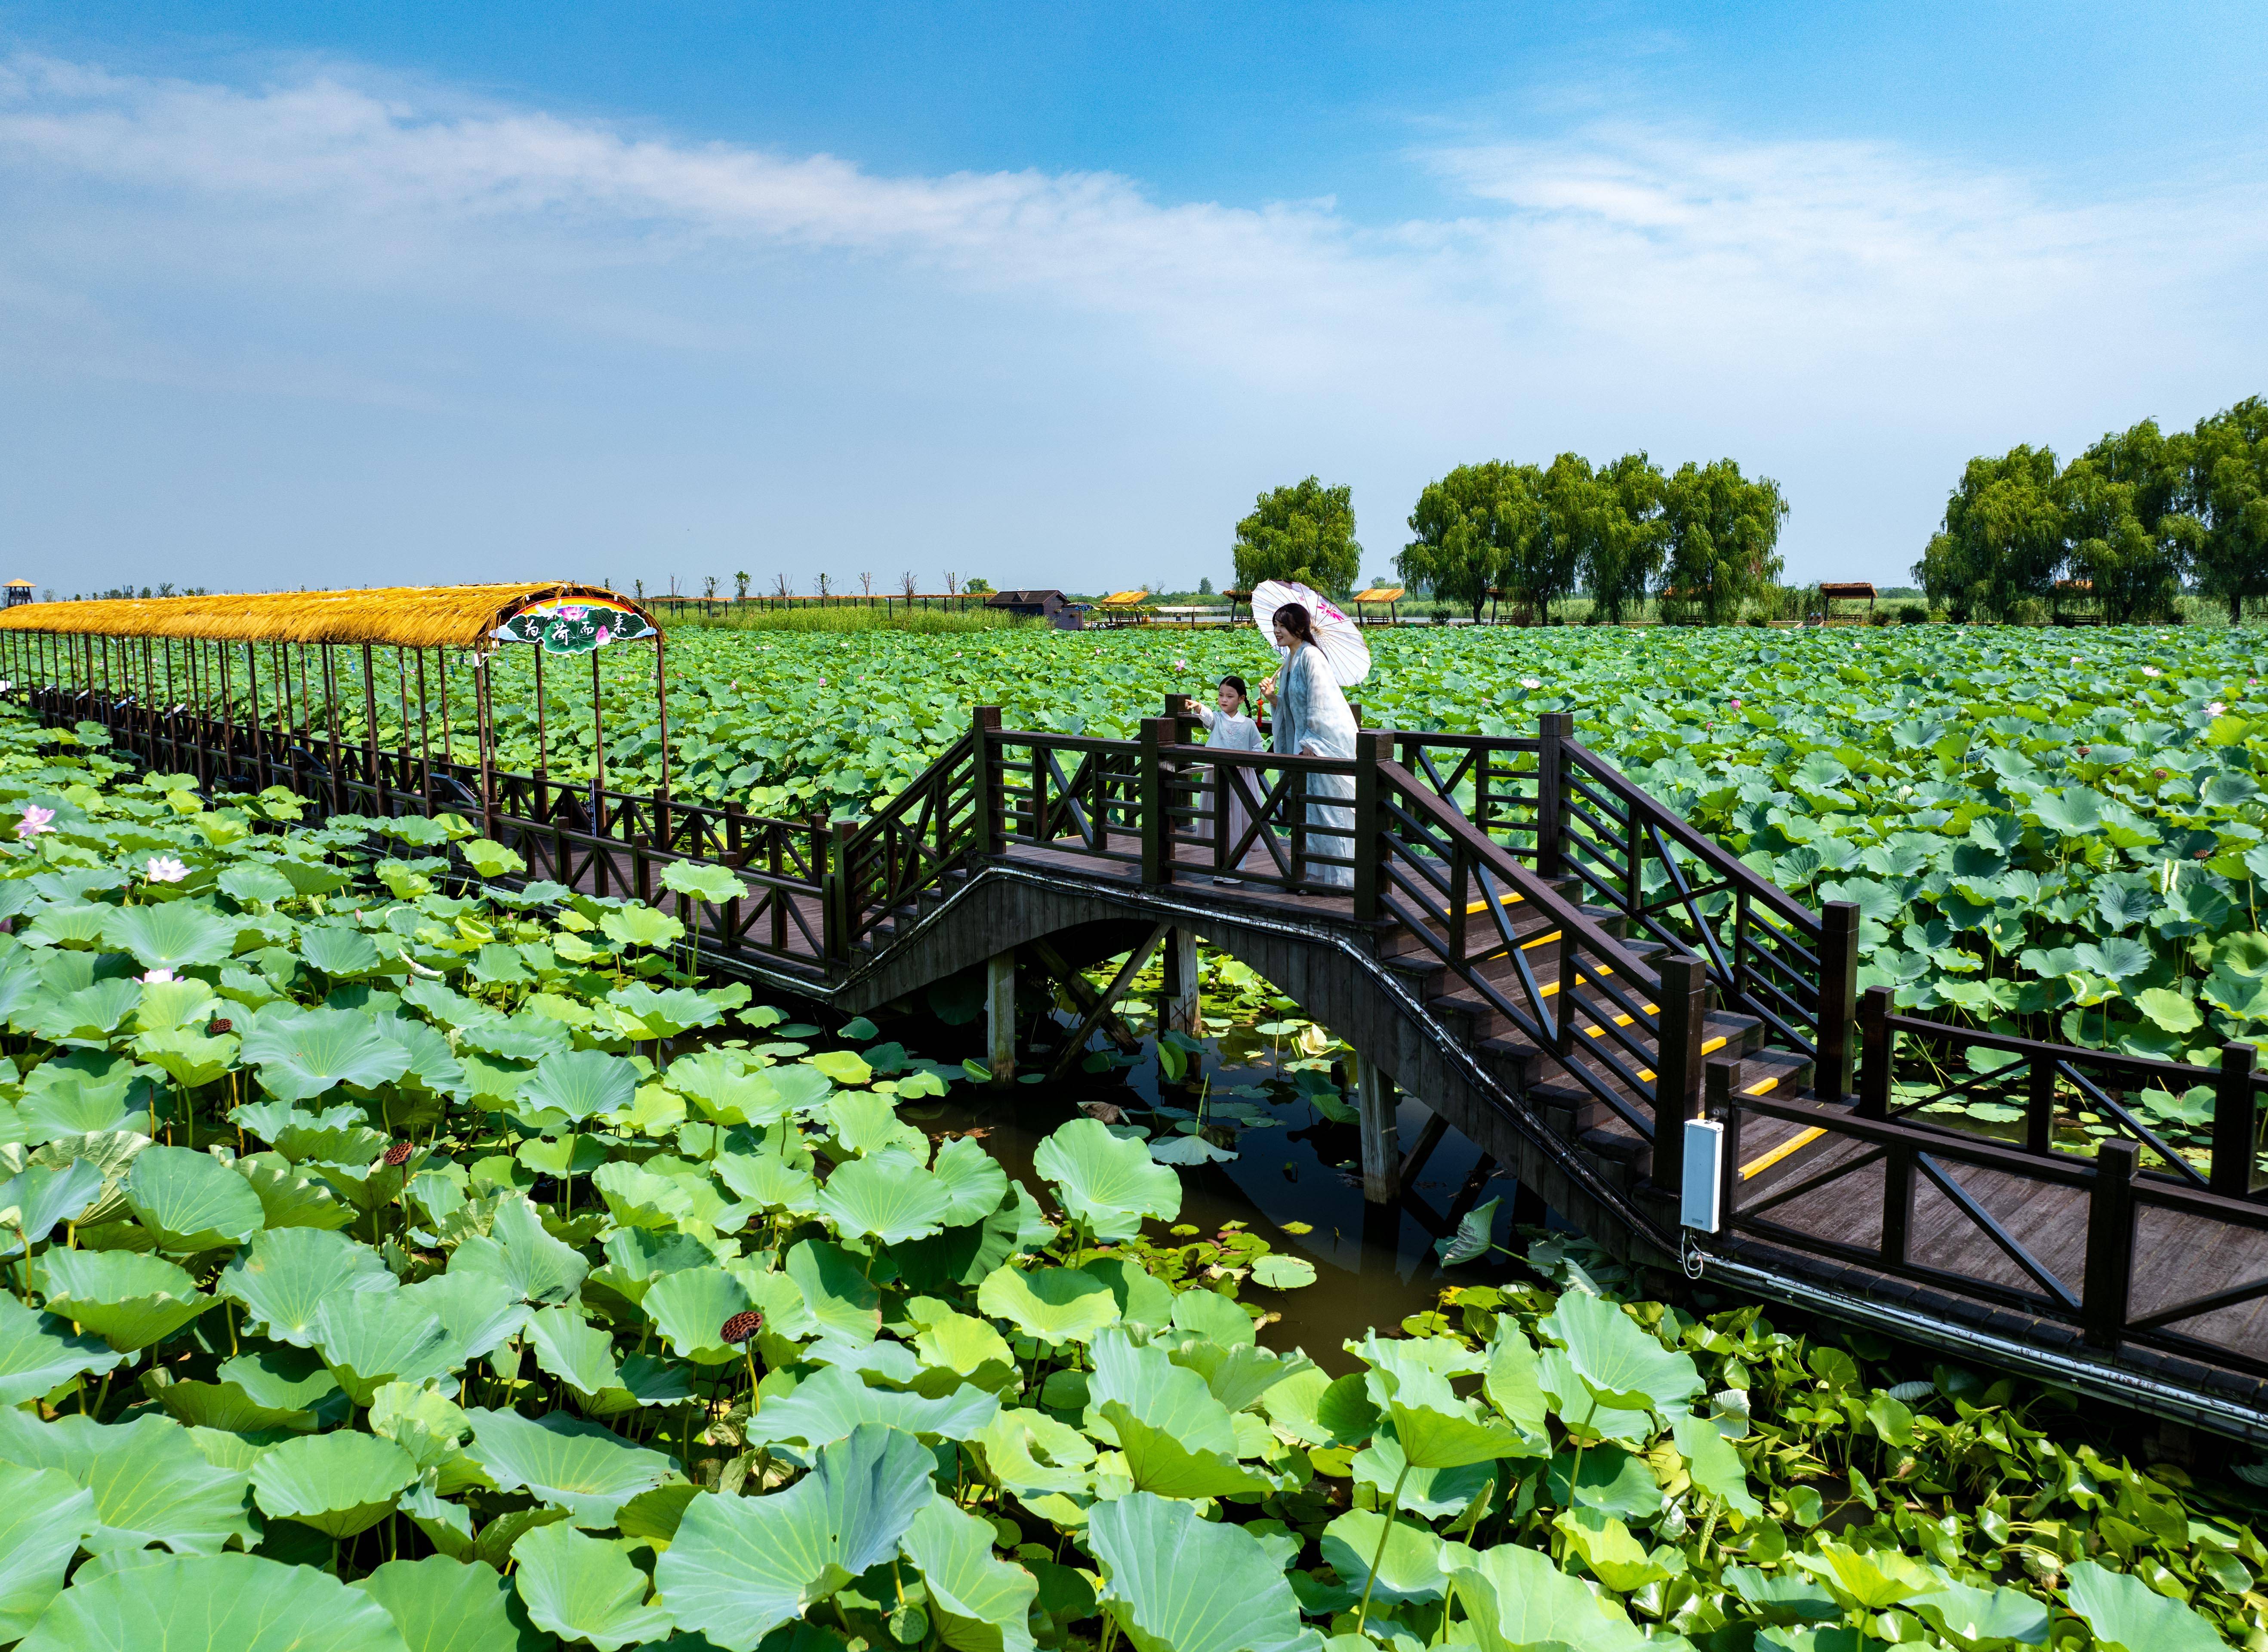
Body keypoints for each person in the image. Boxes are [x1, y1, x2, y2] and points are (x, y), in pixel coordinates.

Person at [1261, 603, 1358, 889]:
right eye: (1275, 624)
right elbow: (1294, 707)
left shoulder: (1312, 657)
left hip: (1322, 748)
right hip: (1304, 748)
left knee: (1329, 815)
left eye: (1283, 625)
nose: (1277, 630)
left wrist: (1311, 744)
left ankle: (1341, 880)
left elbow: (1321, 706)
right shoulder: (1291, 659)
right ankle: (1315, 876)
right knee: (1311, 812)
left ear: (1300, 628)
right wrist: (1273, 698)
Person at [1192, 675, 1263, 881]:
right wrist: (1199, 708)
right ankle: (1221, 868)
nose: (1224, 700)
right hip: (1218, 776)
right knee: (1220, 819)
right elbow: (1208, 717)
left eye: (1230, 696)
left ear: (1241, 699)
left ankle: (1238, 868)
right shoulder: (1218, 719)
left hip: (1242, 778)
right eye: (1221, 695)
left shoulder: (1249, 724)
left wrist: (1245, 761)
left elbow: (1258, 750)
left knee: (1240, 821)